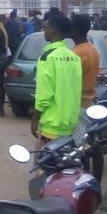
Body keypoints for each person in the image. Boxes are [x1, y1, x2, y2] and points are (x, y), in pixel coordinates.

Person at [31, 15, 82, 143]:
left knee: (45, 160)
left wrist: (35, 118)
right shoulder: (74, 57)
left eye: (46, 28)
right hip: (71, 121)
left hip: (52, 124)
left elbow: (44, 95)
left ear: (54, 30)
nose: (44, 31)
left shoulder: (47, 57)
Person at [71, 14, 99, 108]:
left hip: (78, 104)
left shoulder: (76, 53)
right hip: (89, 102)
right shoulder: (92, 48)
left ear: (75, 30)